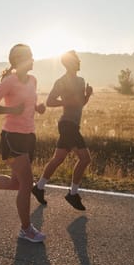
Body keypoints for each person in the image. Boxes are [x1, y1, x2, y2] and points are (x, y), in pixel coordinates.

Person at [0, 43, 47, 243]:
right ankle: (26, 229)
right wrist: (10, 111)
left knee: (16, 183)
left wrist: (38, 107)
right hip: (12, 137)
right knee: (27, 183)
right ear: (19, 60)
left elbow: (30, 103)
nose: (33, 59)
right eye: (30, 56)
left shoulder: (33, 80)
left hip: (29, 136)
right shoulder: (9, 81)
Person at [31, 50, 92, 210]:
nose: (79, 62)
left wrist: (88, 96)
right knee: (85, 159)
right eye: (77, 60)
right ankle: (72, 194)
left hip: (71, 124)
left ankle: (39, 187)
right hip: (67, 124)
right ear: (70, 63)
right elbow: (50, 101)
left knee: (58, 159)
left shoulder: (81, 80)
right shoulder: (61, 81)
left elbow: (79, 104)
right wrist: (66, 102)